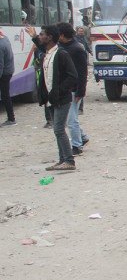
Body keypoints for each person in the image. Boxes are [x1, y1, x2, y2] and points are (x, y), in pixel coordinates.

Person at [34, 24, 78, 171]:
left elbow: (72, 76)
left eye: (41, 35)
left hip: (61, 99)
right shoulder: (46, 55)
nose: (39, 37)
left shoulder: (61, 54)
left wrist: (59, 91)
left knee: (59, 129)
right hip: (51, 99)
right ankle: (62, 160)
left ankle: (69, 161)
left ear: (50, 37)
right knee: (57, 130)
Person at [58, 23, 90, 155]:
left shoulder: (77, 49)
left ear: (61, 35)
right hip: (67, 88)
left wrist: (81, 91)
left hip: (74, 89)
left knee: (71, 119)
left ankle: (77, 146)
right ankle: (82, 137)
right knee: (69, 118)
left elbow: (83, 72)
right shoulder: (62, 47)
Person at [0, 30, 15, 126]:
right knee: (6, 95)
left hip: (4, 73)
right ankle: (11, 118)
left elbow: (0, 65)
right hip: (9, 70)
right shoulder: (4, 38)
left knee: (5, 95)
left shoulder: (0, 45)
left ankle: (11, 119)